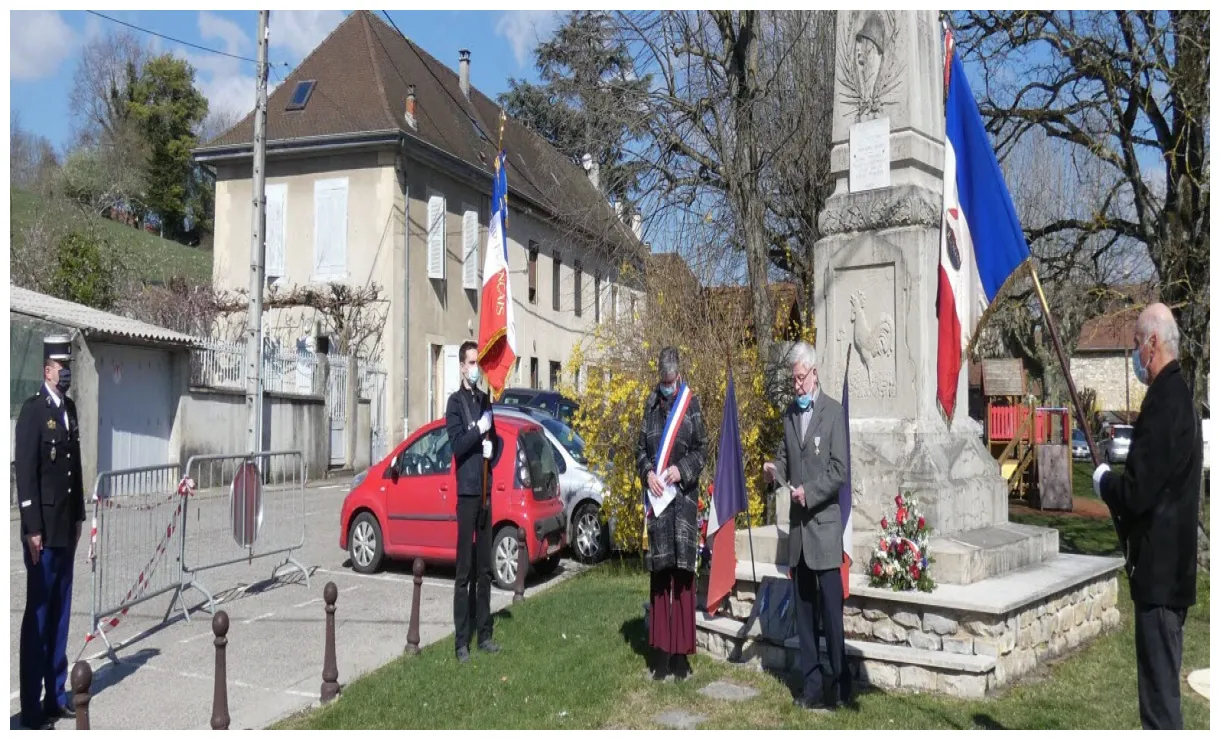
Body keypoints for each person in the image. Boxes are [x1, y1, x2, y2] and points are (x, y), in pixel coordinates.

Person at [1092, 303, 1201, 730]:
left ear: (1152, 343)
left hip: (1159, 579)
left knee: (1159, 710)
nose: (1136, 354)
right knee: (1162, 696)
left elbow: (1137, 492)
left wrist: (1104, 482)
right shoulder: (1181, 397)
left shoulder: (1164, 403)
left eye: (1136, 345)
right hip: (1170, 575)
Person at [763, 341, 851, 711]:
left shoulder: (832, 413)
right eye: (792, 380)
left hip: (825, 531)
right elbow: (785, 458)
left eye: (800, 379)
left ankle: (841, 686)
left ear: (814, 373)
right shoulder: (788, 414)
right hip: (799, 536)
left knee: (831, 616)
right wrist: (774, 473)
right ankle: (812, 686)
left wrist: (809, 492)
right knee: (804, 616)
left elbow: (839, 470)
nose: (796, 386)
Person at [16, 335, 85, 730]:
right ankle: (31, 706)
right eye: (62, 367)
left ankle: (56, 694)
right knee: (39, 619)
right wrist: (31, 529)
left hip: (65, 530)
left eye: (69, 367)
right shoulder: (33, 411)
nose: (67, 374)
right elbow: (26, 474)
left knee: (60, 615)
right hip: (41, 533)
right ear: (47, 370)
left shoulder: (69, 410)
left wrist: (78, 518)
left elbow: (74, 470)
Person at [635, 346, 707, 681]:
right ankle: (661, 658)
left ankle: (681, 659)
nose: (666, 386)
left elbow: (702, 450)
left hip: (684, 506)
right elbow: (639, 450)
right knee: (661, 579)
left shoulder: (690, 404)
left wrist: (682, 469)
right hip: (659, 508)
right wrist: (648, 472)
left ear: (678, 375)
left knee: (682, 581)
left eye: (670, 381)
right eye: (662, 382)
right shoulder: (650, 405)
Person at [444, 340, 501, 663]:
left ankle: (485, 633)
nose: (475, 367)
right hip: (466, 493)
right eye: (470, 362)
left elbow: (494, 439)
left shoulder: (484, 401)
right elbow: (457, 444)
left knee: (484, 569)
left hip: (485, 491)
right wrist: (478, 431)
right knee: (464, 570)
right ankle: (461, 641)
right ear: (462, 366)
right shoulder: (455, 404)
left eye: (477, 362)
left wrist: (493, 446)